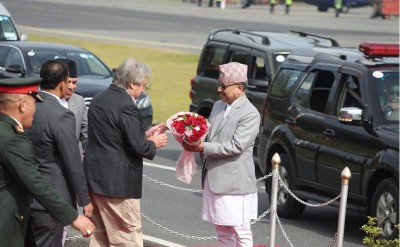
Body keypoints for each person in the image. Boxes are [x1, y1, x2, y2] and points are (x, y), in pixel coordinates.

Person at [83, 58, 168, 247]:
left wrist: (142, 135)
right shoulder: (127, 105)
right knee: (126, 235)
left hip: (95, 178)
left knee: (99, 235)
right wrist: (153, 143)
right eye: (143, 85)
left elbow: (113, 136)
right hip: (117, 183)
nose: (143, 90)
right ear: (132, 83)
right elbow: (139, 146)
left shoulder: (99, 98)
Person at [0, 77, 95, 247]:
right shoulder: (13, 140)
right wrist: (73, 216)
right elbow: (35, 182)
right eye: (34, 104)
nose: (35, 110)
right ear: (22, 105)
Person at [182, 62, 260, 247]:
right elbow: (208, 133)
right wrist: (189, 133)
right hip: (214, 179)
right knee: (223, 233)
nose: (219, 90)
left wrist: (203, 148)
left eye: (223, 86)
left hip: (234, 185)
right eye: (219, 85)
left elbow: (236, 146)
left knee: (241, 232)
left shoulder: (250, 114)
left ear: (240, 88)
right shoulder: (218, 106)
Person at [27, 59, 93, 247]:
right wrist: (84, 199)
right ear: (62, 83)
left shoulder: (28, 103)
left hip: (25, 195)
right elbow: (72, 161)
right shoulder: (61, 115)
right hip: (52, 201)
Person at [58, 58, 88, 151]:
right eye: (68, 82)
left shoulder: (79, 101)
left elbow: (85, 131)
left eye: (74, 82)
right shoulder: (45, 101)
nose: (71, 87)